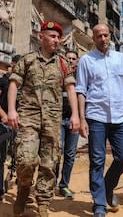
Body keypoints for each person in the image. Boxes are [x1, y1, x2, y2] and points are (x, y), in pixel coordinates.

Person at [7, 21, 80, 217]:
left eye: (58, 37)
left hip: (53, 119)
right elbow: (14, 83)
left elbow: (71, 89)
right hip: (28, 117)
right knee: (26, 160)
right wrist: (11, 110)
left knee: (49, 163)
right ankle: (23, 189)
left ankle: (43, 203)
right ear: (41, 37)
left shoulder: (63, 63)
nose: (57, 40)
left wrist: (75, 115)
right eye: (52, 36)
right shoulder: (28, 60)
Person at [75, 24, 123, 217]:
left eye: (105, 35)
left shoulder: (121, 59)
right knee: (97, 161)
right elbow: (81, 90)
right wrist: (82, 118)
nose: (103, 39)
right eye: (98, 36)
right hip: (96, 117)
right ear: (93, 39)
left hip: (120, 117)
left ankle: (107, 187)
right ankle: (99, 204)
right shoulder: (86, 60)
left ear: (110, 36)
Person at [0, 54, 21, 204]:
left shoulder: (25, 82)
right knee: (0, 158)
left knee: (22, 158)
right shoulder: (2, 81)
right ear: (13, 64)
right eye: (18, 64)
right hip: (3, 127)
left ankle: (22, 191)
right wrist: (3, 116)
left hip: (21, 127)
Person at [56, 50, 80, 200]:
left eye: (73, 59)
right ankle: (49, 183)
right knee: (56, 153)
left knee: (70, 155)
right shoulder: (58, 74)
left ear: (77, 61)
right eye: (68, 58)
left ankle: (64, 185)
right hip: (57, 119)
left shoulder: (81, 78)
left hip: (73, 121)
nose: (70, 61)